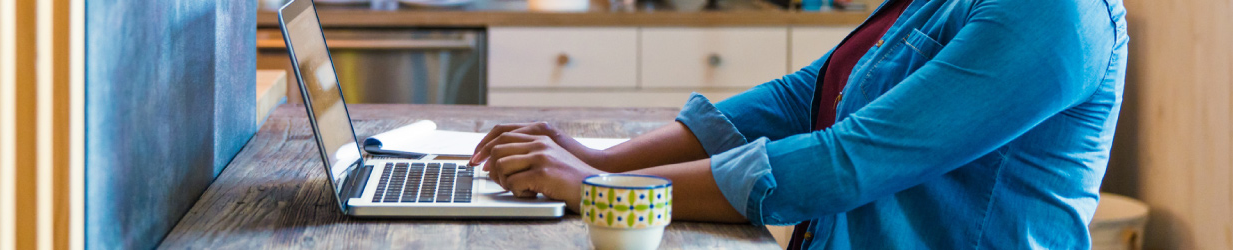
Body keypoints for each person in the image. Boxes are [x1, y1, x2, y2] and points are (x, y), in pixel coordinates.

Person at [469, 0, 1129, 248]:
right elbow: (800, 97)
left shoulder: (1052, 14)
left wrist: (599, 190)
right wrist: (604, 160)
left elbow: (849, 163)